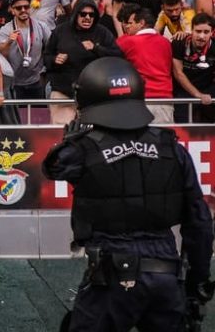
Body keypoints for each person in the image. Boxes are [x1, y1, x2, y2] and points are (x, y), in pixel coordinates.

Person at [42, 57, 213, 332]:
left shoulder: (83, 150)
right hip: (166, 273)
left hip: (112, 274)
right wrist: (196, 285)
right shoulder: (172, 148)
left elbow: (53, 168)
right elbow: (200, 224)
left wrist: (71, 138)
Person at [43, 0, 121, 125]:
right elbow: (46, 57)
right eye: (83, 14)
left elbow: (118, 56)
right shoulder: (60, 31)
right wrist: (54, 59)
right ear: (76, 14)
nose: (87, 18)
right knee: (63, 132)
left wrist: (96, 48)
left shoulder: (102, 32)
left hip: (94, 92)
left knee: (94, 134)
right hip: (63, 91)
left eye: (91, 15)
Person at [115, 3, 174, 124]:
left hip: (140, 101)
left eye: (130, 23)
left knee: (137, 142)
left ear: (141, 23)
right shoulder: (166, 42)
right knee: (163, 141)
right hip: (165, 100)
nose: (126, 27)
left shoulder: (127, 41)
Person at [0, 0, 52, 99]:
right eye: (18, 8)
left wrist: (44, 71)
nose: (23, 10)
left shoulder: (41, 26)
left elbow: (52, 47)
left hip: (36, 81)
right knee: (18, 115)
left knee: (38, 114)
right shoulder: (5, 30)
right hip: (14, 82)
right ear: (12, 10)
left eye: (26, 7)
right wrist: (8, 42)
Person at [172, 13, 215, 123]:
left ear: (212, 32)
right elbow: (178, 73)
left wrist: (205, 95)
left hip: (207, 87)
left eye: (206, 32)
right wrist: (198, 95)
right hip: (183, 88)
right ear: (191, 30)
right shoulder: (179, 43)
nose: (201, 36)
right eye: (198, 31)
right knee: (182, 123)